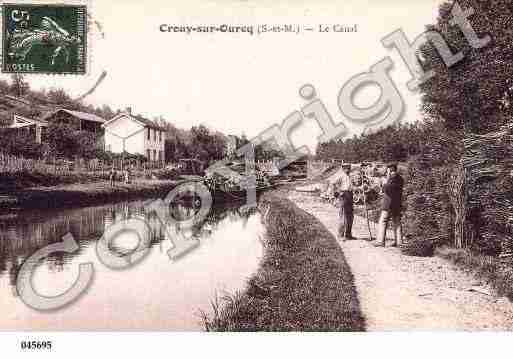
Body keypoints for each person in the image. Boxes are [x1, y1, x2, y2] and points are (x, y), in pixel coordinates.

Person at [373, 163, 404, 247]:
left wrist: (384, 183)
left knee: (383, 221)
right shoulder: (400, 178)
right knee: (397, 222)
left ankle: (380, 241)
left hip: (389, 204)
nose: (389, 171)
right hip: (397, 204)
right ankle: (399, 242)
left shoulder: (391, 179)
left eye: (389, 170)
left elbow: (387, 189)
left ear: (390, 169)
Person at [333, 164, 354, 241]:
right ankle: (340, 235)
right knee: (343, 215)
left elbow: (351, 186)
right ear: (343, 169)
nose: (348, 170)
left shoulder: (349, 176)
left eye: (349, 168)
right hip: (343, 195)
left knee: (350, 215)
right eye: (346, 168)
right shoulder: (341, 175)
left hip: (350, 195)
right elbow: (333, 183)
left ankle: (348, 234)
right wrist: (338, 191)